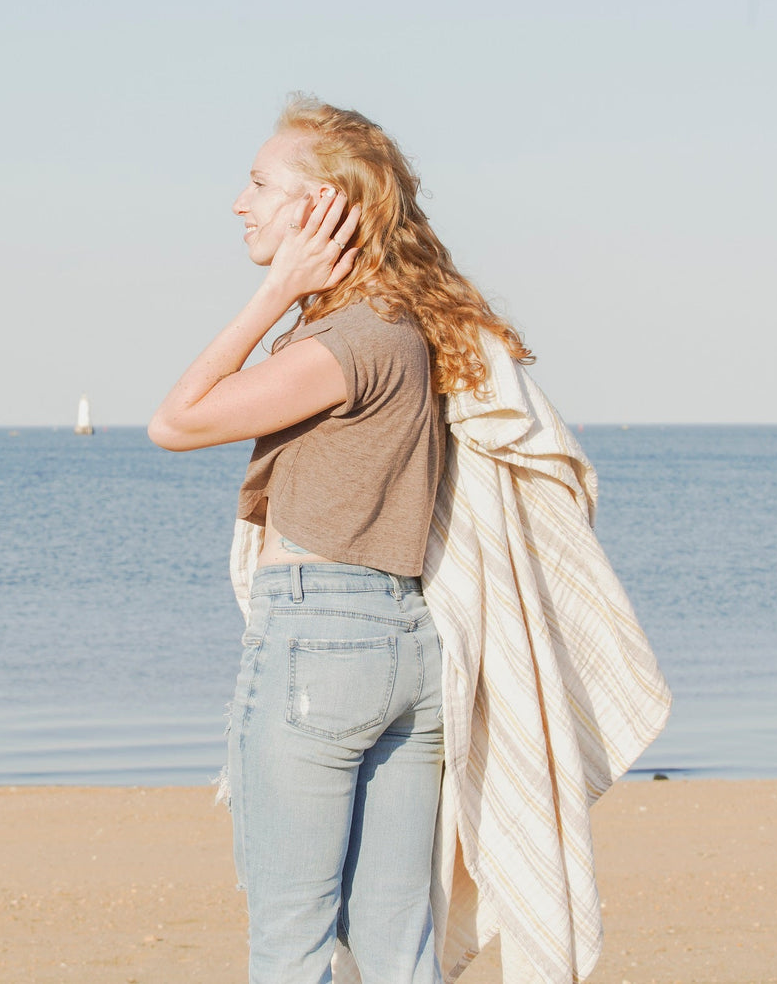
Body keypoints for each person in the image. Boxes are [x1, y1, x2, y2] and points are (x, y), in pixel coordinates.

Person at [149, 96, 532, 983]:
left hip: (320, 639)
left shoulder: (347, 343)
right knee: (397, 947)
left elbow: (177, 421)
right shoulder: (406, 329)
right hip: (408, 642)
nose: (239, 204)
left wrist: (274, 291)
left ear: (321, 206)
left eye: (257, 184)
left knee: (291, 940)